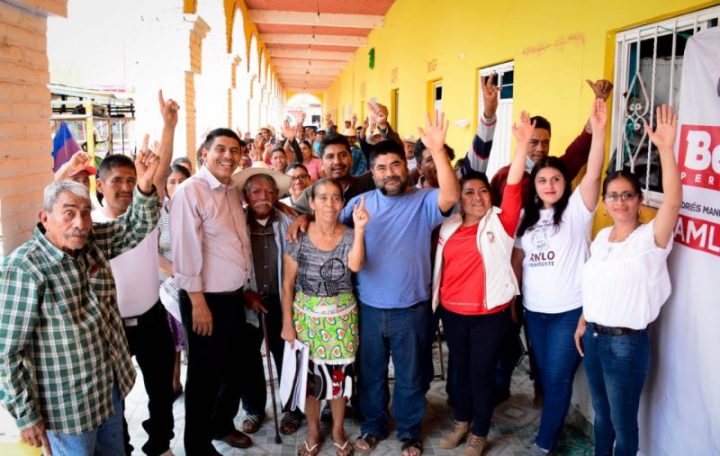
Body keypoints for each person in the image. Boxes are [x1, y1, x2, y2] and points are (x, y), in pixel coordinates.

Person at [0, 149, 161, 455]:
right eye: (69, 213)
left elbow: (136, 227)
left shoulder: (91, 242)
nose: (80, 222)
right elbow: (7, 352)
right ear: (45, 218)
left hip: (106, 393)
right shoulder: (24, 268)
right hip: (66, 411)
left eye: (86, 212)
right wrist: (25, 415)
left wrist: (144, 184)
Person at [493, 78, 614, 405]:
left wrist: (597, 112)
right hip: (513, 272)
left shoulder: (555, 172)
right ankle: (501, 389)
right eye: (533, 142)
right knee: (509, 337)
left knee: (545, 353)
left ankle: (543, 394)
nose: (540, 149)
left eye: (545, 142)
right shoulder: (505, 176)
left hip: (554, 286)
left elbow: (582, 150)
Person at [345, 113, 460, 456]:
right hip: (369, 309)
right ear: (372, 173)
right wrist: (299, 220)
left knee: (411, 377)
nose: (389, 172)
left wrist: (437, 150)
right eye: (381, 168)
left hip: (411, 310)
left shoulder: (423, 201)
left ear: (405, 166)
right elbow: (327, 224)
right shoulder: (359, 204)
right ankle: (373, 426)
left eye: (395, 165)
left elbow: (451, 195)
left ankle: (409, 432)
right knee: (372, 374)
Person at [574, 105, 681, 456]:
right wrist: (584, 320)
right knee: (601, 416)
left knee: (623, 425)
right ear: (604, 203)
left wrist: (666, 149)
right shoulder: (601, 239)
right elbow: (597, 285)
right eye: (613, 196)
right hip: (594, 338)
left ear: (638, 200)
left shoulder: (650, 240)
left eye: (627, 195)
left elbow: (672, 203)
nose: (619, 201)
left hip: (626, 346)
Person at [511, 99, 608, 453]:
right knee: (546, 375)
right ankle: (551, 428)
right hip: (535, 312)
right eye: (542, 180)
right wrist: (514, 300)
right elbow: (518, 260)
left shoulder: (577, 211)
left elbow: (593, 173)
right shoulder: (526, 218)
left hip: (570, 312)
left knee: (556, 377)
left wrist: (599, 131)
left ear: (565, 183)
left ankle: (545, 442)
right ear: (534, 184)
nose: (549, 185)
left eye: (555, 179)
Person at [432, 110, 530, 456]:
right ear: (459, 198)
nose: (477, 197)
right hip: (453, 314)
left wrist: (521, 146)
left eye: (483, 191)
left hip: (490, 315)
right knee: (459, 372)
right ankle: (462, 421)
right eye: (469, 191)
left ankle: (480, 432)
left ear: (491, 195)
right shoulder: (447, 227)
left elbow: (514, 187)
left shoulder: (501, 223)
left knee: (481, 374)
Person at [93, 92, 178, 456]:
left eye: (132, 179)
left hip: (151, 319)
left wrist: (168, 126)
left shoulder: (146, 215)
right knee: (114, 397)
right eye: (117, 180)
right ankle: (122, 448)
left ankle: (159, 445)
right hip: (109, 326)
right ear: (100, 185)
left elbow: (161, 170)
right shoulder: (89, 227)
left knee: (161, 391)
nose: (127, 187)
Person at [169, 128, 255, 455]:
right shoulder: (191, 191)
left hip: (232, 298)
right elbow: (185, 250)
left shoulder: (231, 189)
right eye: (221, 149)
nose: (228, 156)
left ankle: (221, 424)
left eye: (235, 150)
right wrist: (197, 302)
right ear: (205, 153)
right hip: (204, 300)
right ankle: (198, 446)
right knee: (204, 378)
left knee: (233, 370)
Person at [281, 178, 369, 456]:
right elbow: (287, 284)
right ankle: (313, 430)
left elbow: (355, 265)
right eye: (322, 197)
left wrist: (361, 230)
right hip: (306, 319)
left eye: (335, 198)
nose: (329, 203)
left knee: (338, 381)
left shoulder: (350, 235)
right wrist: (287, 323)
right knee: (311, 383)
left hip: (341, 319)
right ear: (311, 203)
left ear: (342, 203)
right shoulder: (298, 236)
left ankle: (337, 430)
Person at [231, 167, 305, 435]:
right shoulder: (235, 222)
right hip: (246, 300)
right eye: (256, 192)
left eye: (269, 192)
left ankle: (291, 409)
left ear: (276, 195)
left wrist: (302, 216)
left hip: (281, 300)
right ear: (246, 196)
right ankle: (253, 408)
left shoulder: (289, 220)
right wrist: (244, 293)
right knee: (247, 359)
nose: (263, 196)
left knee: (286, 355)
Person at [158, 163, 192, 400]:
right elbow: (153, 252)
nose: (178, 186)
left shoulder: (196, 208)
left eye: (182, 181)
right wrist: (176, 274)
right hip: (167, 283)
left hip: (195, 281)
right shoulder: (160, 214)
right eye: (172, 182)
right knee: (171, 338)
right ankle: (173, 381)